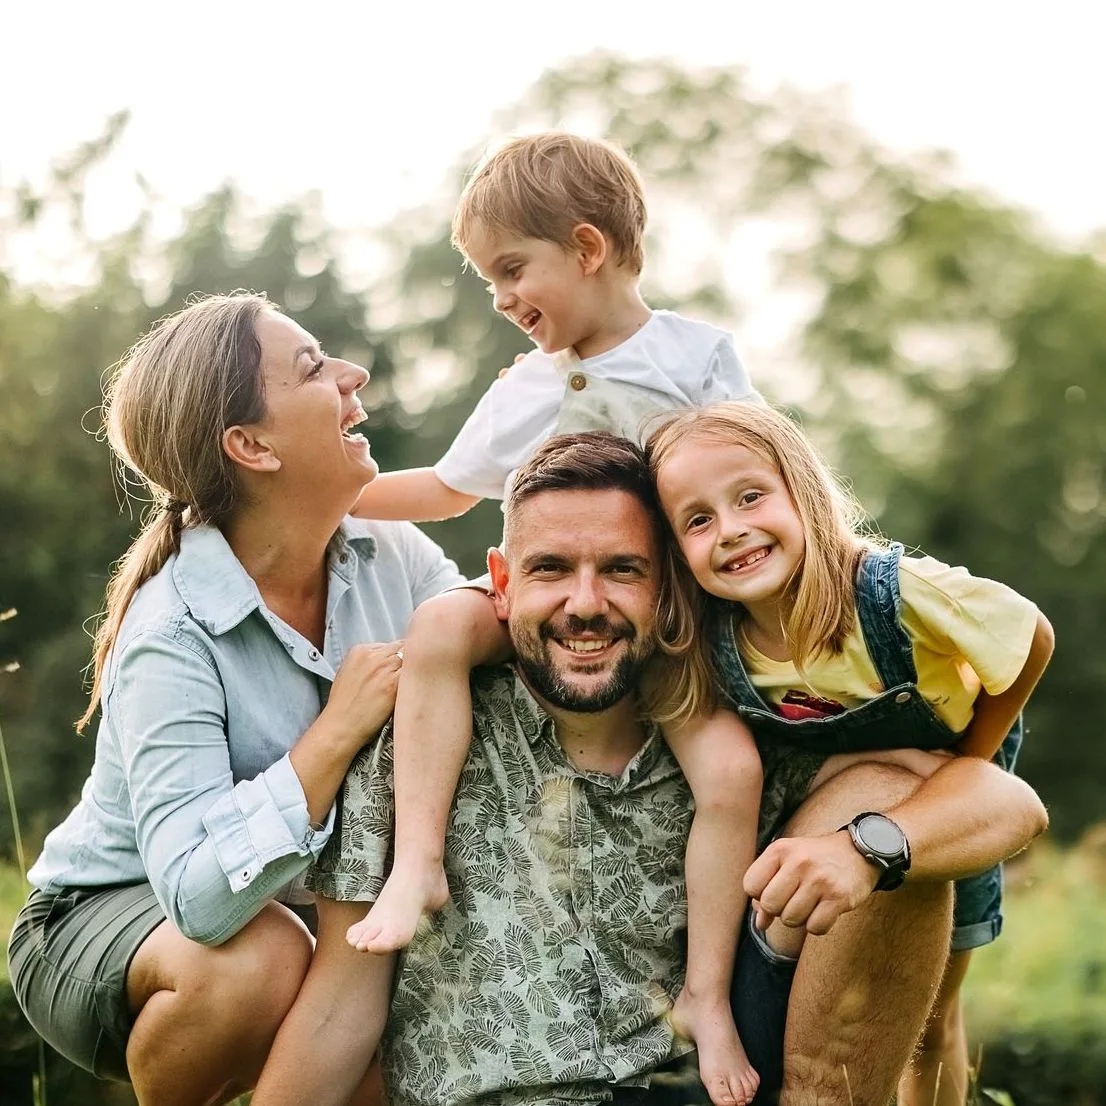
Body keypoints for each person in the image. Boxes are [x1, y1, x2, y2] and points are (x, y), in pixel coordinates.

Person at [253, 432, 1048, 1106]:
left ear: (669, 586)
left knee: (890, 824)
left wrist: (865, 845)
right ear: (499, 583)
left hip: (698, 1086)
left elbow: (1003, 802)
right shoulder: (415, 746)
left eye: (623, 570)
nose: (586, 603)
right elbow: (338, 1011)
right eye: (551, 569)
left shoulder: (755, 733)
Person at [344, 131, 765, 1104]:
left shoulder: (694, 357)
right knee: (442, 629)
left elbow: (756, 475)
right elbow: (448, 490)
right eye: (486, 280)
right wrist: (331, 496)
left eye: (508, 270)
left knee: (732, 771)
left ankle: (702, 994)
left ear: (585, 247)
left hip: (661, 624)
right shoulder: (521, 390)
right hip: (543, 608)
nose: (499, 299)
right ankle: (417, 864)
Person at [5, 292, 465, 1105]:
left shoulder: (391, 551)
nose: (353, 377)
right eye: (315, 369)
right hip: (109, 916)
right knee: (262, 962)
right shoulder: (171, 633)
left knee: (388, 1011)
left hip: (297, 911)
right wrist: (333, 735)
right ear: (250, 445)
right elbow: (196, 895)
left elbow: (472, 637)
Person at [646, 402, 1055, 1105]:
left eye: (750, 497)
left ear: (800, 490)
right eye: (698, 519)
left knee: (934, 1019)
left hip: (946, 804)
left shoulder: (896, 593)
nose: (732, 530)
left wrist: (972, 761)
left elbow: (1030, 637)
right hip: (837, 812)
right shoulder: (719, 641)